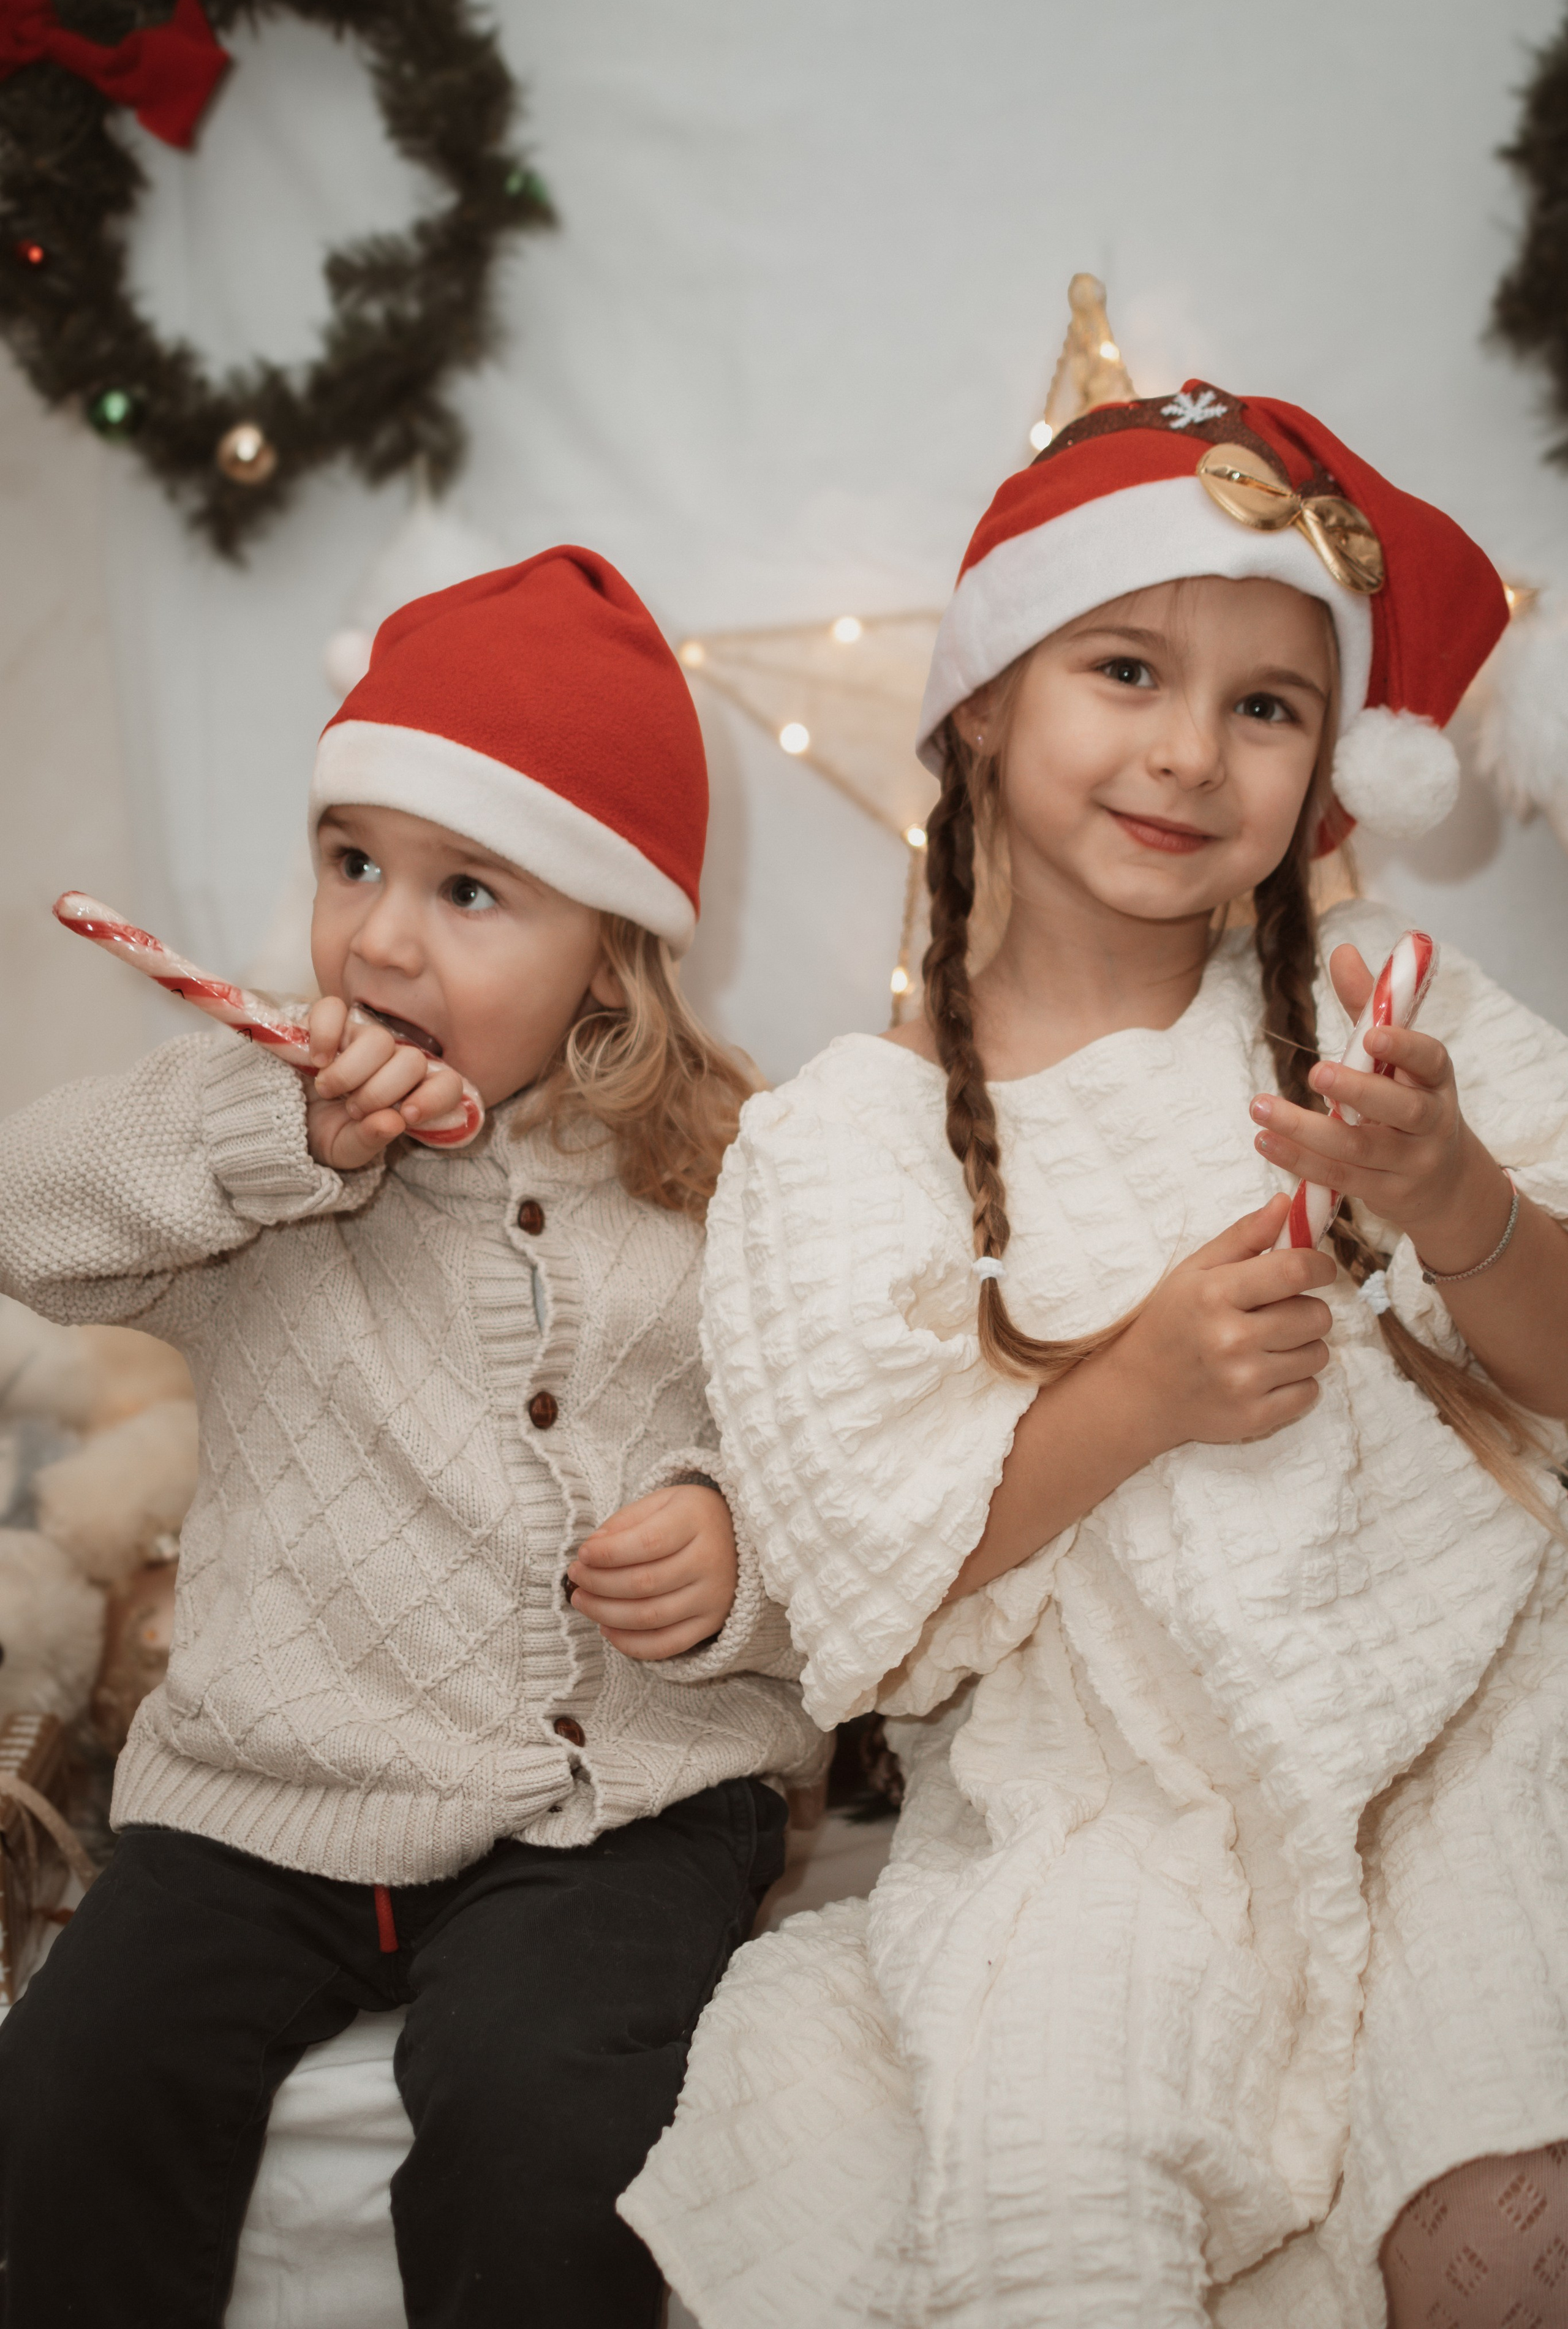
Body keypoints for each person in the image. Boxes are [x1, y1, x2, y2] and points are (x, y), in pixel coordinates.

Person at [621, 390, 1568, 2327]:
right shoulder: (849, 1139)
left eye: (1268, 707)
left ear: (1325, 770)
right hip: (1111, 1801)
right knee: (1060, 2197)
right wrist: (1134, 1398)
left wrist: (1455, 1197)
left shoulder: (1394, 1017)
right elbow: (860, 1587)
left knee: (1496, 2233)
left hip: (1488, 1729)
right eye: (1126, 669)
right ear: (980, 700)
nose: (1187, 753)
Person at [0, 548, 824, 2329]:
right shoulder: (261, 1145)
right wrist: (264, 1136)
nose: (379, 932)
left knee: (548, 2128)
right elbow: (27, 1215)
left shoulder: (733, 1187)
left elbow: (849, 1480)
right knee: (68, 2103)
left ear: (610, 959)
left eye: (470, 891)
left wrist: (738, 1559)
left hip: (613, 1808)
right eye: (352, 860)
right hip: (262, 1805)